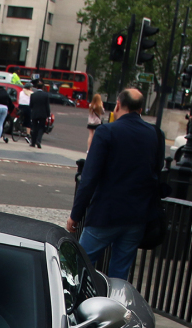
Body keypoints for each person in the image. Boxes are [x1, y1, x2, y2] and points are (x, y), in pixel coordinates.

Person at [67, 88, 162, 281]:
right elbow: (156, 170)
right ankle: (115, 306)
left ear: (118, 105)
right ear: (141, 109)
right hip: (136, 214)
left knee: (80, 264)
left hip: (106, 213)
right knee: (120, 273)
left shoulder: (107, 132)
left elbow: (89, 177)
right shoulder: (154, 134)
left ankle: (79, 304)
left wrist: (75, 216)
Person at [28, 81, 50, 148]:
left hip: (34, 113)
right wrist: (48, 115)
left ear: (37, 87)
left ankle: (33, 142)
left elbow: (30, 105)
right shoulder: (46, 95)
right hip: (43, 114)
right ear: (43, 87)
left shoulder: (33, 95)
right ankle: (38, 140)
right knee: (41, 128)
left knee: (34, 128)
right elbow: (47, 106)